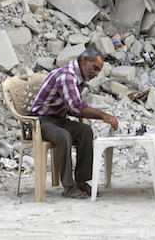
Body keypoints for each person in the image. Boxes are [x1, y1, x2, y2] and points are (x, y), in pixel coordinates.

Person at [30, 47, 118, 199]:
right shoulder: (67, 75)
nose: (96, 74)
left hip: (58, 119)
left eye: (98, 71)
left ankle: (81, 181)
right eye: (95, 68)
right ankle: (68, 186)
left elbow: (72, 108)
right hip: (40, 121)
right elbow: (76, 107)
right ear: (84, 60)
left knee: (85, 131)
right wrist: (104, 116)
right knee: (63, 136)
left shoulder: (79, 77)